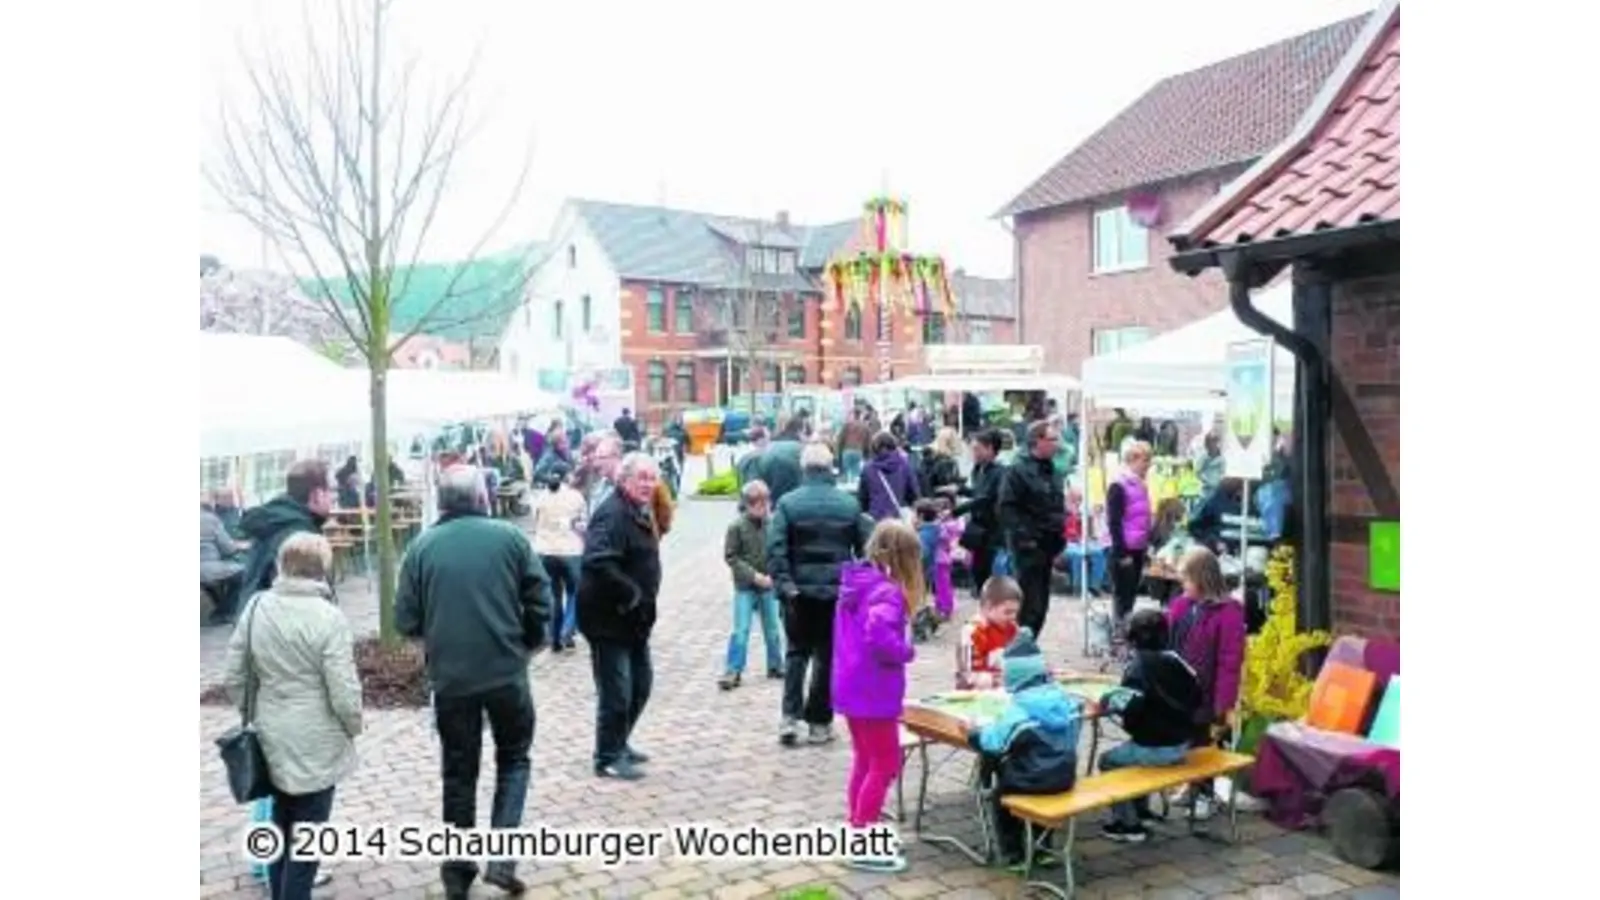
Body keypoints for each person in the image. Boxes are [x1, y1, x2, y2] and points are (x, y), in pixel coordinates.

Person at [396, 465, 551, 899]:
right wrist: (528, 645)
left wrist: (436, 642)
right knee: (515, 760)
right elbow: (541, 601)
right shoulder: (511, 539)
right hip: (505, 672)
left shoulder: (421, 548)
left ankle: (458, 872)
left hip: (452, 680)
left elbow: (405, 619)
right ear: (483, 496)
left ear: (442, 501)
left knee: (459, 772)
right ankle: (501, 860)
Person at [223, 533, 362, 900]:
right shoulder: (329, 618)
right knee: (308, 841)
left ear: (281, 565)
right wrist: (353, 726)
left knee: (280, 829)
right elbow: (343, 689)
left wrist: (251, 713)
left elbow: (234, 676)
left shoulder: (256, 607)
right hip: (317, 739)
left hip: (271, 734)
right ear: (322, 569)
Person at [831, 520, 921, 873]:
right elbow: (878, 632)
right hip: (874, 690)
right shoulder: (888, 592)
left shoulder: (857, 584)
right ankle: (863, 836)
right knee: (884, 764)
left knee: (865, 760)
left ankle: (857, 828)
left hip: (852, 685)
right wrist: (905, 651)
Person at [768, 442, 872, 746]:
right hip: (836, 593)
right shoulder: (848, 504)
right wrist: (855, 587)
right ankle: (818, 723)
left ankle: (789, 718)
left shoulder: (787, 503)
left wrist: (785, 585)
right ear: (831, 468)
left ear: (804, 469)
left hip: (798, 592)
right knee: (827, 657)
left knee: (796, 653)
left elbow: (775, 550)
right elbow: (866, 550)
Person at [578, 453, 664, 780]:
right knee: (617, 691)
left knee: (641, 684)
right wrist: (632, 594)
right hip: (608, 618)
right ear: (624, 480)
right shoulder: (611, 514)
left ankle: (620, 741)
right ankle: (607, 756)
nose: (647, 484)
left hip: (635, 621)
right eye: (641, 477)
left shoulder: (639, 510)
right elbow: (598, 560)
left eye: (651, 478)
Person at [968, 627, 1082, 869]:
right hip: (1064, 776)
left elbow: (993, 742)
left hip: (1030, 780)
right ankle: (1043, 849)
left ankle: (1013, 854)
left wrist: (972, 732)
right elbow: (1076, 719)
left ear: (1013, 676)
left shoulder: (1019, 711)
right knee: (1037, 771)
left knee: (1003, 795)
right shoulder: (1066, 700)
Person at [1096, 608, 1204, 843]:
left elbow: (1127, 705)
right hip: (1183, 742)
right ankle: (1141, 810)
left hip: (1155, 747)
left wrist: (1105, 702)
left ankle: (1128, 824)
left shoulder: (1136, 668)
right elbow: (1197, 695)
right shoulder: (1177, 660)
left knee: (1108, 761)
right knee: (1132, 753)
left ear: (1132, 638)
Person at [1167, 547, 1247, 820]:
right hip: (1179, 688)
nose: (1182, 584)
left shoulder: (1229, 613)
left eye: (1186, 579)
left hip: (1206, 692)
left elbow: (1230, 661)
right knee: (1185, 739)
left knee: (1204, 743)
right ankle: (1189, 786)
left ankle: (1204, 794)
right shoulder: (1180, 605)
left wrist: (1224, 703)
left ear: (1202, 579)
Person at [997, 420, 1067, 636]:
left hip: (1049, 545)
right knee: (1028, 604)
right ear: (1037, 442)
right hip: (1028, 547)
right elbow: (1006, 508)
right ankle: (1018, 649)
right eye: (1052, 439)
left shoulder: (1053, 470)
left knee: (1041, 605)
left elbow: (1054, 504)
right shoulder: (1018, 471)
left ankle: (1027, 645)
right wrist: (1026, 538)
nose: (1057, 444)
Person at [239, 460, 334, 602]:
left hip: (255, 614)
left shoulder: (276, 519)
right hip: (279, 619)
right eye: (332, 491)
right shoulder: (300, 537)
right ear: (317, 495)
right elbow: (304, 597)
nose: (334, 498)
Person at [720, 479, 784, 689]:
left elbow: (779, 550)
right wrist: (753, 576)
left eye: (766, 503)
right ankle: (733, 669)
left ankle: (776, 664)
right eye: (759, 505)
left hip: (769, 584)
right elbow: (731, 557)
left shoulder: (773, 523)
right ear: (747, 505)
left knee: (773, 628)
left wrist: (774, 575)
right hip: (746, 586)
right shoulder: (736, 527)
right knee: (741, 629)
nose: (764, 509)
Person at [530, 465, 585, 651]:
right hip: (570, 550)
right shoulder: (575, 497)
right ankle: (567, 630)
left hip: (545, 550)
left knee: (553, 594)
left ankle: (554, 636)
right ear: (566, 477)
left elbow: (535, 522)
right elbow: (582, 522)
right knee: (575, 592)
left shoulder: (540, 498)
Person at [1106, 441, 1155, 626]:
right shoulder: (1119, 485)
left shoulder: (1141, 485)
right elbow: (1114, 521)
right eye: (1145, 460)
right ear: (1132, 460)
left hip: (1138, 547)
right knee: (1122, 596)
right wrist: (1121, 552)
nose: (1148, 464)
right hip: (1124, 548)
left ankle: (1125, 631)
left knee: (1130, 594)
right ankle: (1119, 633)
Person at [954, 429, 1006, 597]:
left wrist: (956, 511)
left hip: (992, 527)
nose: (973, 453)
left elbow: (986, 498)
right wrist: (960, 490)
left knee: (987, 565)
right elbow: (977, 492)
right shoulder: (978, 470)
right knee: (977, 566)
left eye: (977, 449)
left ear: (990, 449)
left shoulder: (1000, 472)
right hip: (977, 526)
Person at [955, 575, 1022, 689]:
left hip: (1003, 682)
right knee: (983, 680)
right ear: (988, 607)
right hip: (977, 686)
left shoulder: (1012, 628)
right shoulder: (974, 630)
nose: (1013, 617)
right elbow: (968, 674)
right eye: (1008, 612)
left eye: (1015, 612)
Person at [202, 492, 248, 625]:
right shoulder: (210, 519)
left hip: (205, 569)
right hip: (207, 567)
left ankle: (219, 607)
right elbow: (228, 549)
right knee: (242, 573)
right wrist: (243, 546)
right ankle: (224, 613)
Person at [858, 430, 919, 522]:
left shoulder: (868, 468)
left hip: (876, 518)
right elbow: (913, 493)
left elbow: (863, 497)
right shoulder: (904, 465)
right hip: (898, 516)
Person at [1061, 487, 1109, 597]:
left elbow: (1091, 535)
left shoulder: (1083, 515)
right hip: (1064, 545)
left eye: (1079, 500)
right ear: (1066, 500)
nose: (1077, 503)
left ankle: (1094, 586)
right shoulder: (1060, 514)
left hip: (1081, 544)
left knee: (1099, 553)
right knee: (1079, 555)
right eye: (1074, 500)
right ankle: (1078, 588)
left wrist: (1090, 534)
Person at [760, 415, 808, 503]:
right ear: (799, 431)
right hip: (792, 492)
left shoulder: (771, 445)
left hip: (769, 487)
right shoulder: (799, 448)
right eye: (805, 433)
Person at [922, 427, 964, 498]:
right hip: (940, 499)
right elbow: (945, 481)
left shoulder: (929, 458)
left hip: (932, 498)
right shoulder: (943, 461)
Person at [835, 409, 872, 482]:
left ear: (853, 415)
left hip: (846, 451)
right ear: (860, 415)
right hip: (858, 451)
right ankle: (854, 489)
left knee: (845, 473)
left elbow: (840, 440)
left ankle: (845, 490)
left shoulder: (847, 426)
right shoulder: (865, 427)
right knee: (856, 474)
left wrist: (837, 453)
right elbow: (868, 443)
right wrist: (867, 455)